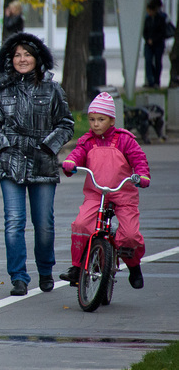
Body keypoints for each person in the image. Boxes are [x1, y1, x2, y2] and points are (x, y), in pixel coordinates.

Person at [0, 32, 74, 296]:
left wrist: (48, 146)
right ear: (10, 59)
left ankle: (45, 270)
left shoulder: (51, 88)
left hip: (42, 162)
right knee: (13, 221)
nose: (22, 59)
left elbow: (66, 124)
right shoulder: (2, 88)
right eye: (17, 55)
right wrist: (3, 146)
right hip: (11, 161)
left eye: (27, 54)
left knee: (44, 222)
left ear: (37, 58)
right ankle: (18, 277)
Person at [59, 92, 150, 289]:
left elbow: (138, 159)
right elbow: (77, 154)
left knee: (129, 236)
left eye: (101, 119)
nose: (95, 124)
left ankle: (134, 266)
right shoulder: (87, 141)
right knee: (82, 224)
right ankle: (77, 266)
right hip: (96, 193)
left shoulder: (125, 140)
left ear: (111, 120)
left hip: (123, 193)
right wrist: (70, 163)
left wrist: (142, 175)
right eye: (92, 119)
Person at [142, 0, 168, 88]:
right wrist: (147, 39)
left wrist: (154, 40)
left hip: (158, 44)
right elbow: (144, 31)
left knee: (157, 61)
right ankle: (150, 80)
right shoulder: (147, 19)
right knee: (148, 61)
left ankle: (156, 81)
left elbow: (162, 33)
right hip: (149, 43)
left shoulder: (161, 18)